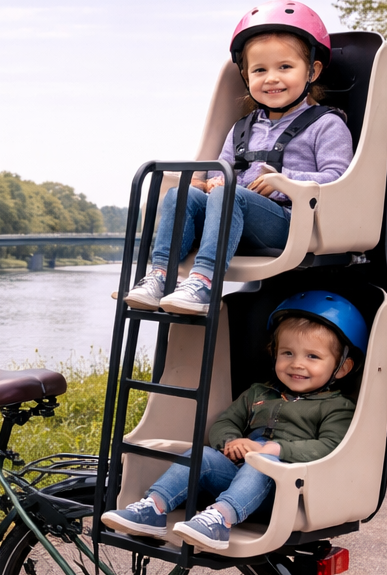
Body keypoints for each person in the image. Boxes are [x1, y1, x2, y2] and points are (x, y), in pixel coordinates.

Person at [123, 1, 353, 316]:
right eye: (260, 70)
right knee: (182, 195)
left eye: (284, 67)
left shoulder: (327, 125)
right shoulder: (242, 128)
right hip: (233, 216)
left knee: (231, 196)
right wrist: (210, 183)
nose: (271, 78)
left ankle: (203, 282)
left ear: (312, 71)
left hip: (291, 222)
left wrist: (285, 183)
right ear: (246, 76)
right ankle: (160, 276)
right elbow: (223, 172)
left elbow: (339, 181)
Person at [101, 291, 366, 550]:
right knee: (200, 454)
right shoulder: (258, 393)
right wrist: (230, 442)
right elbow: (224, 423)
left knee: (263, 464)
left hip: (283, 494)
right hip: (236, 475)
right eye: (287, 353)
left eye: (312, 356)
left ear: (342, 367)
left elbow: (330, 448)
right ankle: (153, 508)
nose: (297, 364)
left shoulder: (337, 407)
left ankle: (219, 520)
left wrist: (274, 450)